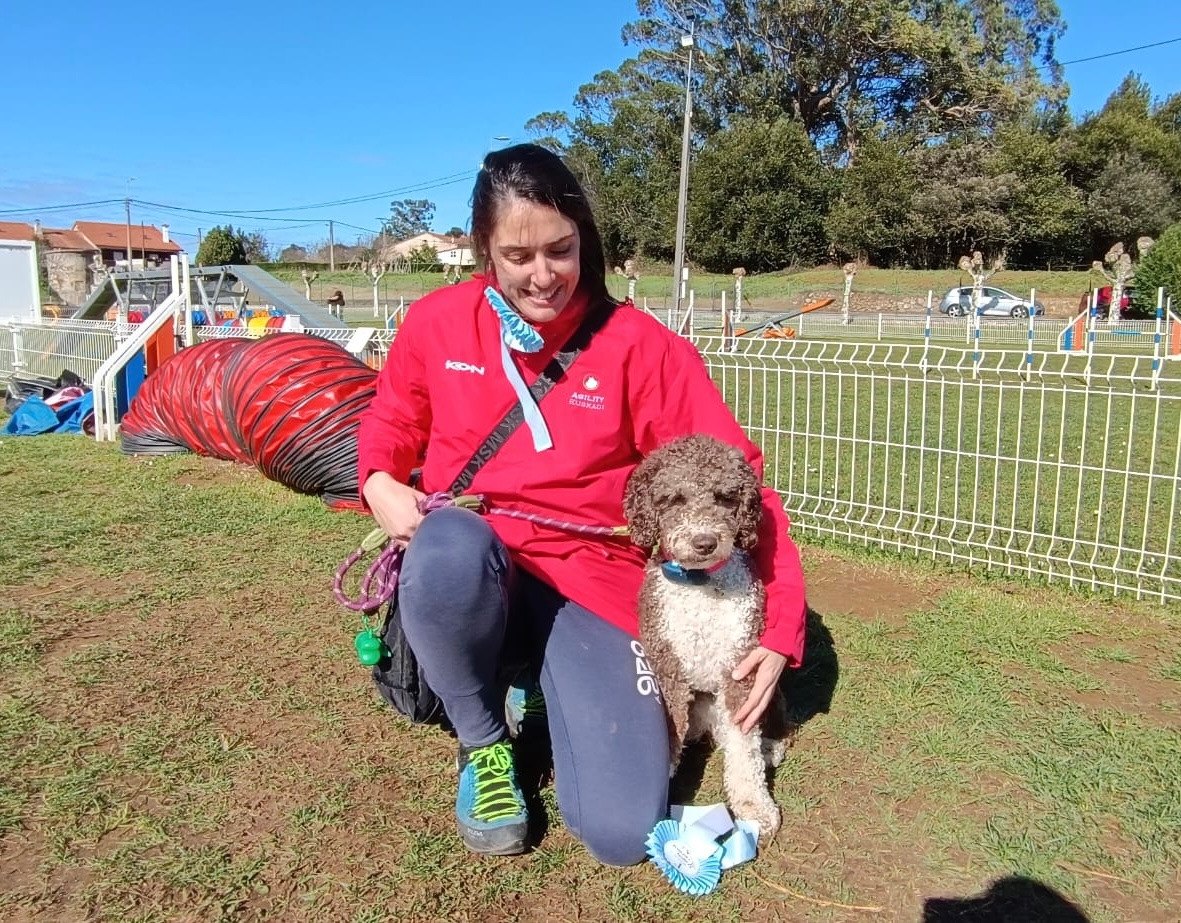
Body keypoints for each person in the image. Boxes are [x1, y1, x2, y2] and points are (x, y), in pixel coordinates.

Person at [355, 143, 807, 865]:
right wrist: (378, 477)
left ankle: (533, 676)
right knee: (446, 549)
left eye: (560, 250)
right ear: (485, 252)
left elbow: (741, 480)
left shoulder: (643, 348)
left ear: (584, 239)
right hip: (475, 558)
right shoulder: (437, 324)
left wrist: (779, 627)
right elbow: (390, 422)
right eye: (517, 255)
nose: (542, 276)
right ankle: (484, 743)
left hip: (593, 577)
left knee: (622, 830)